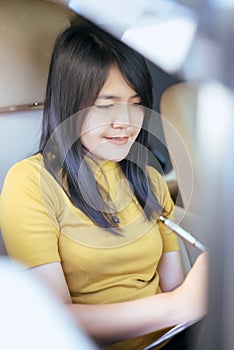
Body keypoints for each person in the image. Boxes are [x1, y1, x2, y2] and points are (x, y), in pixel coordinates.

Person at [0, 22, 208, 350]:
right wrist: (179, 305)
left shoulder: (148, 178)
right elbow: (54, 319)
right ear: (71, 103)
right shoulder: (28, 183)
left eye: (135, 103)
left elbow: (174, 287)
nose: (125, 121)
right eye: (106, 105)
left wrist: (195, 292)